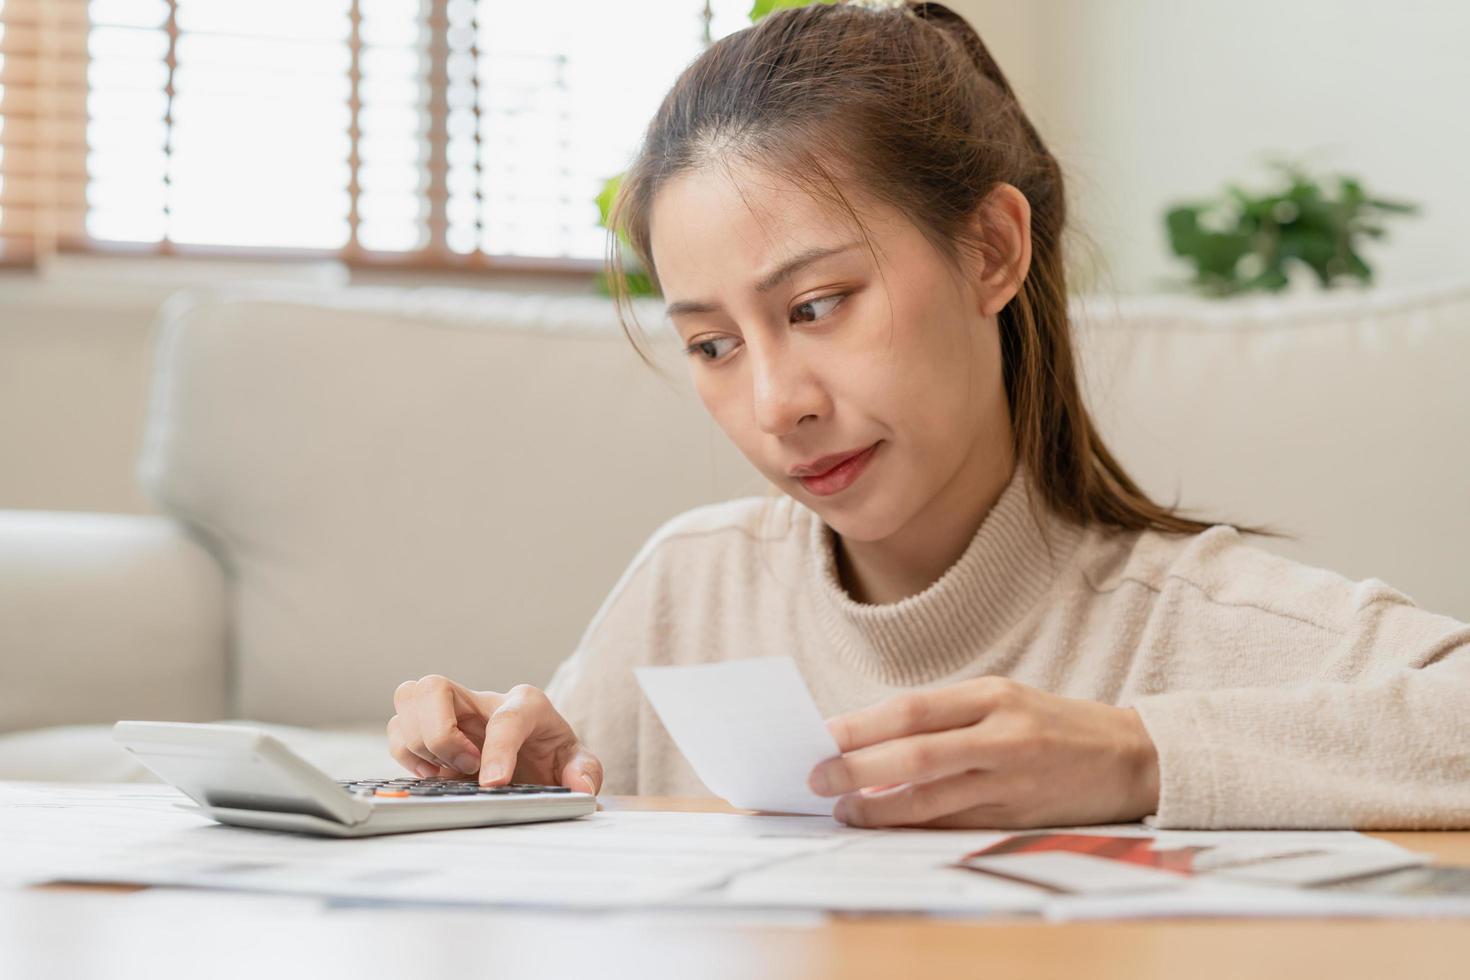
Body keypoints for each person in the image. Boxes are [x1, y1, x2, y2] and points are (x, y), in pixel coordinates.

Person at [386, 0, 1470, 830]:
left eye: (818, 306)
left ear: (991, 249)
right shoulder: (691, 586)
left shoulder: (1189, 624)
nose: (776, 404)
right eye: (712, 344)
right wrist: (510, 770)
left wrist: (1138, 753)